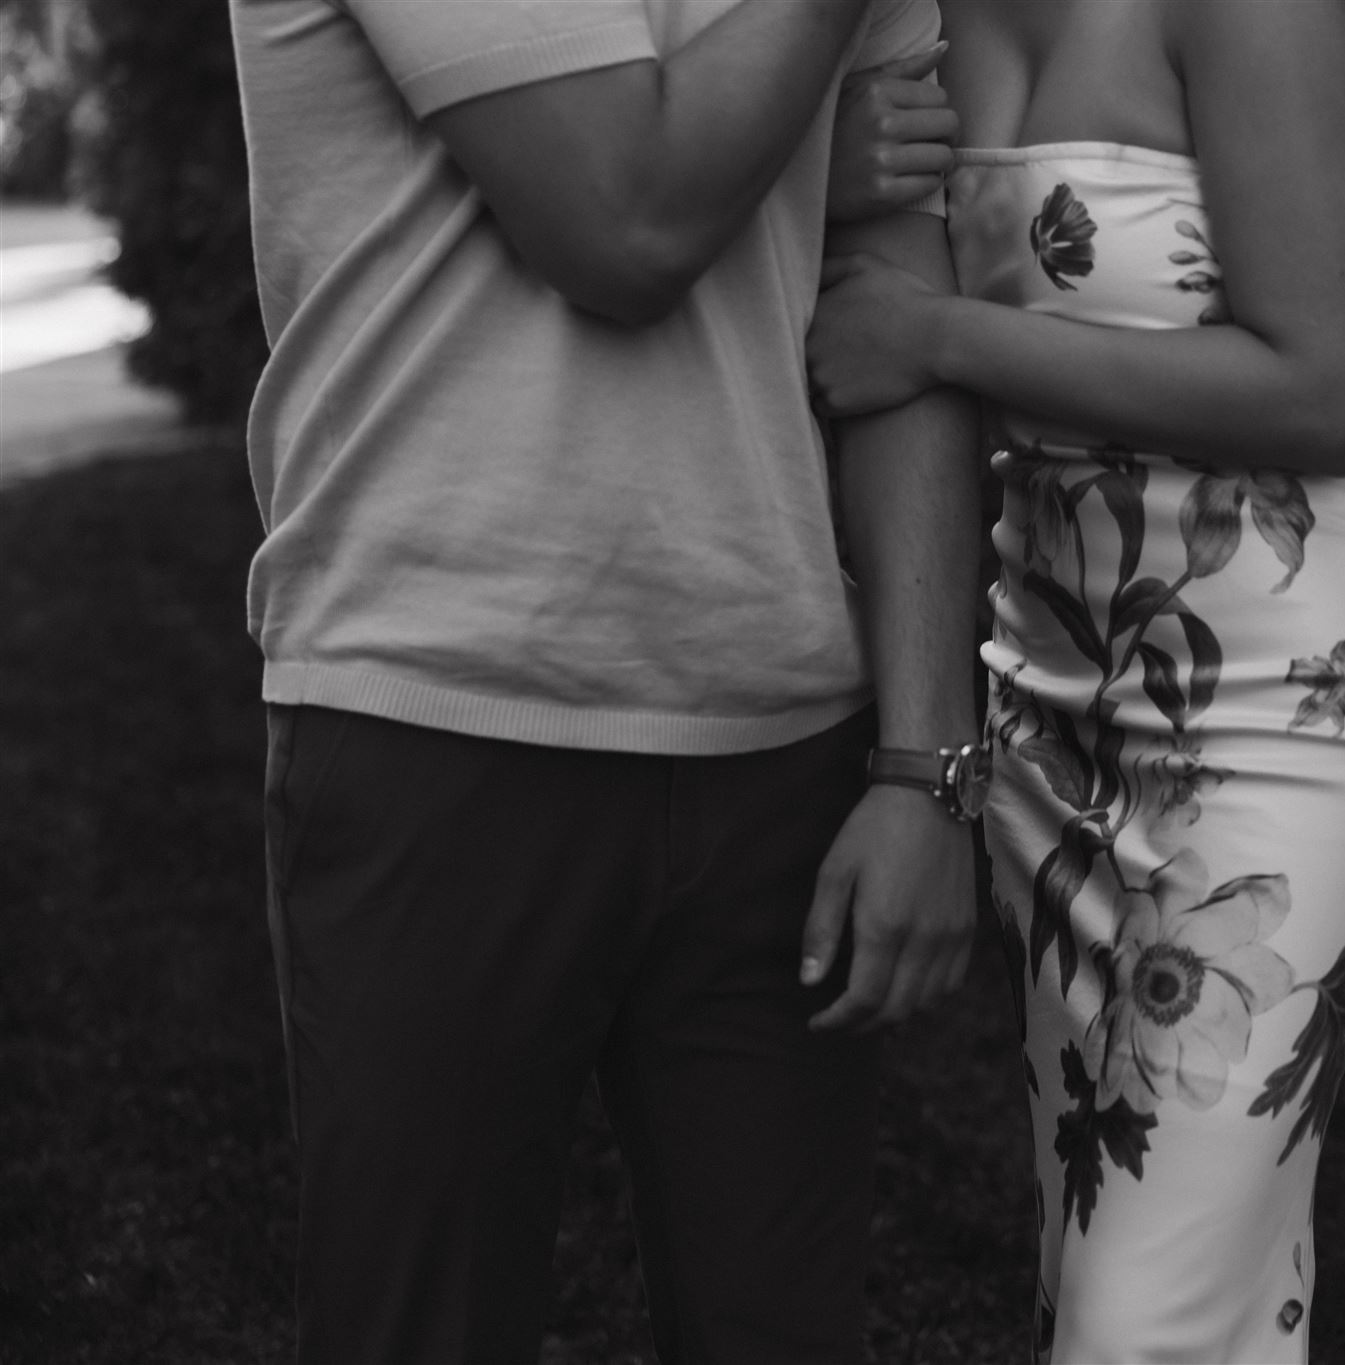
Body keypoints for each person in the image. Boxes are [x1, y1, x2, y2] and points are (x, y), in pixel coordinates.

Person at [227, 2, 984, 1360]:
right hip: (440, 715)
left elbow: (899, 322)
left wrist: (929, 761)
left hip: (784, 744)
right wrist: (803, 158)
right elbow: (622, 218)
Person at [812, 0, 1345, 1358]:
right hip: (1050, 723)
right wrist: (822, 166)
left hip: (1290, 704)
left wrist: (945, 338)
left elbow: (1328, 386)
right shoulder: (915, 17)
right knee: (1129, 1277)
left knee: (1140, 1323)